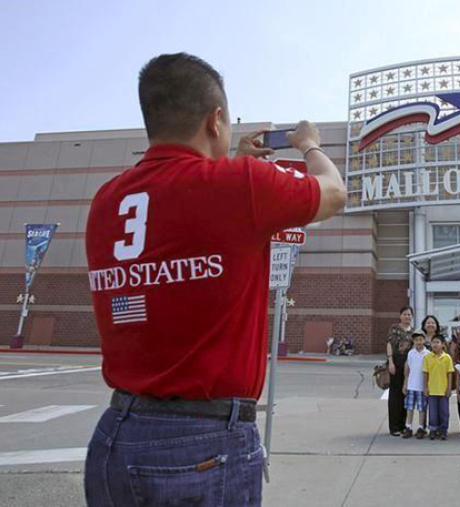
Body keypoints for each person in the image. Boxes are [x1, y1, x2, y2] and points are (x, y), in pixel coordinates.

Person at [83, 53, 346, 507]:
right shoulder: (240, 184)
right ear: (216, 119)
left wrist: (233, 163)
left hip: (115, 436)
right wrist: (309, 144)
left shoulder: (107, 199)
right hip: (202, 447)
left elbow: (183, 239)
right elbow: (334, 192)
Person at [423, 335, 454, 440]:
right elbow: (425, 373)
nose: (435, 344)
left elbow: (449, 374)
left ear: (443, 345)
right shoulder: (427, 357)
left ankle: (443, 430)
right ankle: (432, 429)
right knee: (432, 412)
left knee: (444, 412)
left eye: (438, 342)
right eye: (433, 342)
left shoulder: (447, 358)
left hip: (443, 390)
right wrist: (425, 388)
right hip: (432, 390)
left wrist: (449, 388)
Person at [403, 330, 431, 438]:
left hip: (421, 386)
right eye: (416, 340)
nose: (418, 342)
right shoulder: (411, 353)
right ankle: (408, 427)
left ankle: (421, 427)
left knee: (421, 408)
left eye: (420, 339)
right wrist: (405, 384)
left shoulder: (427, 354)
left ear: (424, 340)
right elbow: (408, 370)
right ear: (413, 341)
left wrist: (426, 386)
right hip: (411, 385)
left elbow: (428, 371)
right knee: (409, 407)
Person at [388, 338, 411, 436]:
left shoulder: (411, 331)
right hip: (395, 365)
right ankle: (394, 427)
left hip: (406, 367)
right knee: (395, 399)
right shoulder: (394, 329)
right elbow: (389, 342)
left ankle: (402, 426)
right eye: (401, 345)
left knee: (404, 398)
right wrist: (390, 361)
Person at [387, 306, 413, 375]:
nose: (407, 316)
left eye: (409, 315)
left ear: (412, 317)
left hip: (408, 362)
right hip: (395, 360)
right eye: (404, 314)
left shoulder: (413, 332)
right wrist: (391, 362)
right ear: (400, 316)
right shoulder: (394, 328)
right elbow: (389, 344)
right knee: (395, 384)